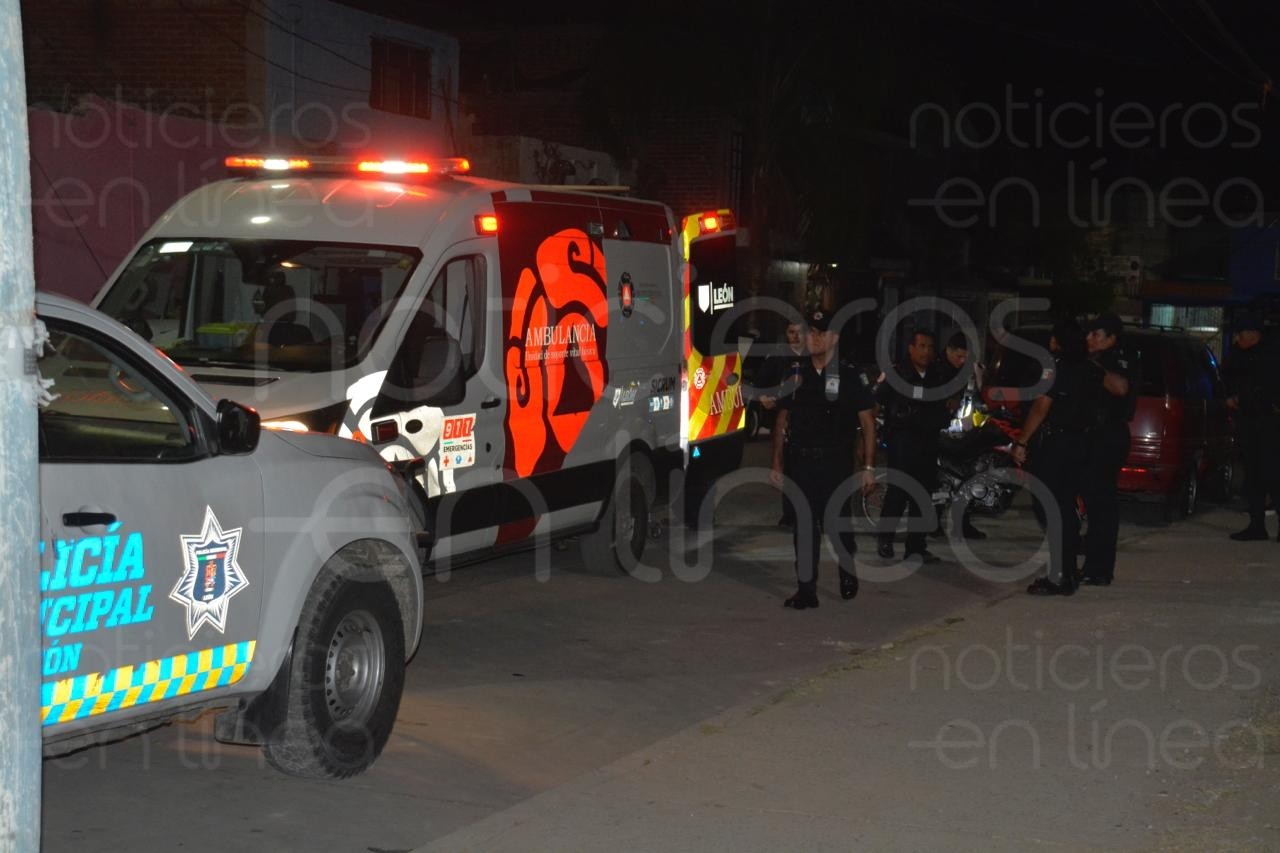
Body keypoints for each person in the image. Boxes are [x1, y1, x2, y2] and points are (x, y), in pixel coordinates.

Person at [769, 309, 877, 609]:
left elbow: (868, 423)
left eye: (820, 332)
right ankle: (806, 590)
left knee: (837, 523)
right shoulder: (796, 373)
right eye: (810, 332)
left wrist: (868, 468)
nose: (814, 338)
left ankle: (846, 569)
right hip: (801, 462)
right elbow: (781, 419)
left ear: (835, 338)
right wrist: (777, 462)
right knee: (804, 526)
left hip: (837, 464)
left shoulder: (850, 375)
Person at [1012, 318, 1099, 596]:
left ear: (1059, 341)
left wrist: (1022, 441)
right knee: (1065, 508)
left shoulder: (1057, 370)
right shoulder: (1091, 369)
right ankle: (1068, 571)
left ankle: (1060, 576)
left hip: (1057, 444)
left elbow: (1040, 408)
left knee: (1048, 506)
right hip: (1081, 443)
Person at [876, 329, 949, 563]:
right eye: (922, 346)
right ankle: (885, 539)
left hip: (928, 441)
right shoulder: (898, 374)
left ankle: (916, 547)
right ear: (911, 348)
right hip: (903, 441)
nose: (926, 351)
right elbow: (878, 399)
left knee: (922, 496)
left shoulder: (937, 376)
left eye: (930, 347)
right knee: (897, 492)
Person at [1078, 312, 1137, 586]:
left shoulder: (1116, 360)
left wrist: (1092, 368)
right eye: (1088, 334)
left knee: (1102, 504)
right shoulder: (1090, 360)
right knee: (1092, 502)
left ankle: (1099, 569)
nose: (1089, 339)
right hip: (1090, 436)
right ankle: (1093, 564)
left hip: (1108, 436)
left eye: (1096, 334)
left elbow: (1121, 387)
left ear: (1112, 339)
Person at [1221, 313, 1280, 541]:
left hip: (1269, 422)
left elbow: (1266, 390)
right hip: (1248, 421)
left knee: (1272, 474)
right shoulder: (1238, 354)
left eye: (1241, 333)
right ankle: (1257, 524)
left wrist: (1243, 400)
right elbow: (1228, 377)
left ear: (1254, 334)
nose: (1238, 338)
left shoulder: (1270, 355)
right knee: (1253, 475)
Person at [934, 331, 987, 540]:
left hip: (961, 434)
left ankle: (962, 524)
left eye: (966, 357)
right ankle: (934, 523)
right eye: (959, 356)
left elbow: (976, 394)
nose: (963, 361)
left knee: (966, 478)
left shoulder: (966, 371)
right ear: (948, 350)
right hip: (939, 434)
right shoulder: (936, 369)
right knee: (941, 480)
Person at [756, 320, 807, 526]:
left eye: (799, 332)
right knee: (789, 469)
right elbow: (760, 383)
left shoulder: (813, 357)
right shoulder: (779, 357)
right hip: (784, 420)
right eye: (790, 332)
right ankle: (789, 515)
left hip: (809, 418)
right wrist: (764, 399)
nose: (795, 336)